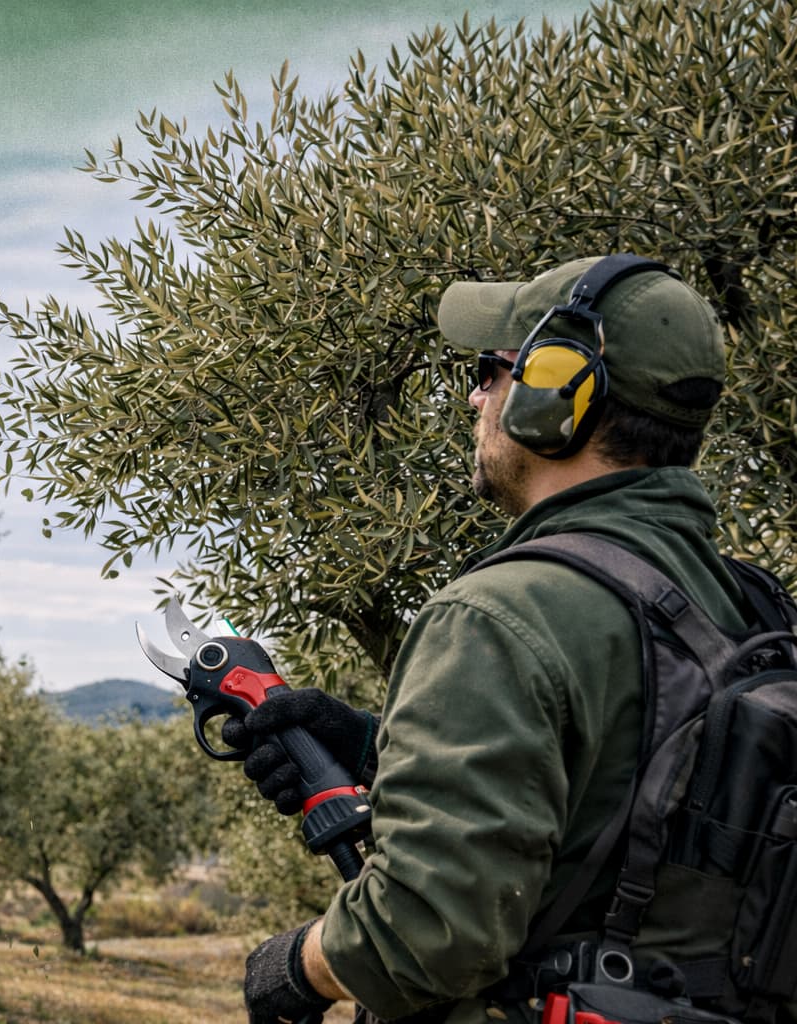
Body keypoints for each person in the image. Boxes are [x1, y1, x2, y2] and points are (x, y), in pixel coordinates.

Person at [224, 254, 741, 1024]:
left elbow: (428, 936)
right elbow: (628, 800)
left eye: (490, 371)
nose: (474, 396)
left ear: (557, 392)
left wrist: (293, 967)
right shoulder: (743, 606)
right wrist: (376, 749)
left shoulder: (500, 616)